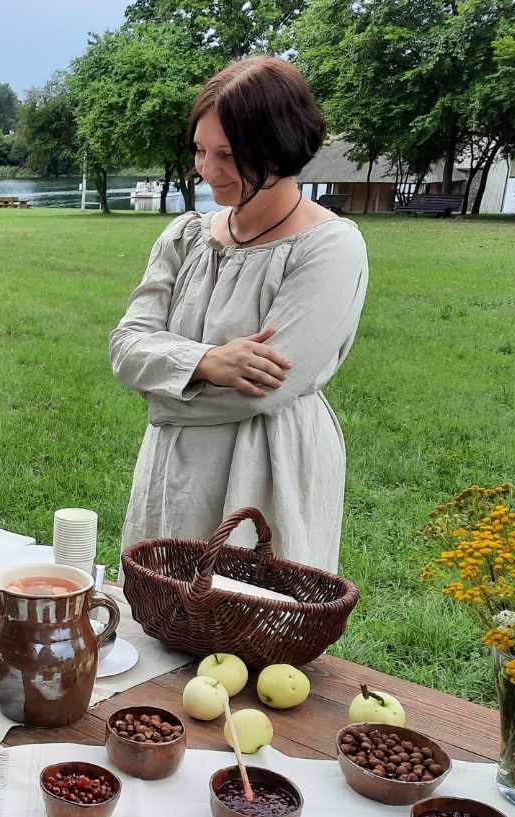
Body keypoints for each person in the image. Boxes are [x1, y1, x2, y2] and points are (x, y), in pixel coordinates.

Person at [109, 57, 368, 572]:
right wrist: (204, 363)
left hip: (266, 465)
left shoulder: (328, 247)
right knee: (166, 610)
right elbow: (125, 346)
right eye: (201, 150)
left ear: (279, 146)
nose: (207, 170)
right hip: (174, 466)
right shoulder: (185, 236)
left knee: (253, 620)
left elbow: (272, 385)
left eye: (227, 154)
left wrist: (163, 390)